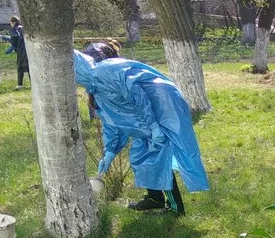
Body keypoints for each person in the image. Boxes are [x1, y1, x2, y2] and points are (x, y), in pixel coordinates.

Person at [73, 50, 210, 215]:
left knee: (159, 157)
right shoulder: (95, 89)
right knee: (141, 155)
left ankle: (175, 207)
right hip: (145, 114)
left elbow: (138, 96)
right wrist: (110, 151)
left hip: (162, 105)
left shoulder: (106, 71)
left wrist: (154, 127)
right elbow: (113, 122)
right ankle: (154, 199)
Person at [4, 16, 28, 89]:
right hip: (28, 49)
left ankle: (19, 85)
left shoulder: (14, 29)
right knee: (29, 67)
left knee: (20, 67)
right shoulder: (22, 27)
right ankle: (33, 84)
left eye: (10, 22)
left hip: (21, 50)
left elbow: (14, 42)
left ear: (13, 22)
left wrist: (9, 50)